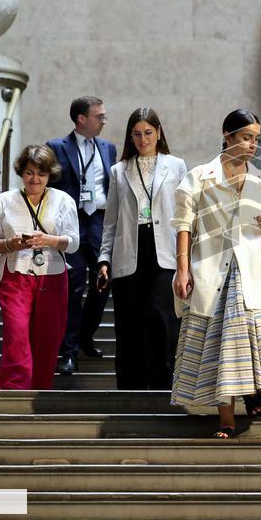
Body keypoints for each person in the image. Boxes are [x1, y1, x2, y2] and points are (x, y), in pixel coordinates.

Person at [170, 109, 261, 438]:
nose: (253, 145)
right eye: (246, 137)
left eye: (256, 139)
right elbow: (184, 226)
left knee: (251, 340)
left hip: (255, 273)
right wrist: (182, 269)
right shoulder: (199, 177)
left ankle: (254, 392)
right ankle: (226, 417)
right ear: (227, 136)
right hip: (211, 272)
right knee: (217, 347)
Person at [97, 108, 187, 390]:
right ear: (130, 137)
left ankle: (163, 385)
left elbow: (185, 214)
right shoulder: (118, 170)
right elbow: (110, 220)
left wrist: (187, 260)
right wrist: (104, 259)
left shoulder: (176, 166)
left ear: (159, 133)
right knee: (129, 320)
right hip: (129, 249)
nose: (143, 138)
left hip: (165, 250)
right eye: (136, 134)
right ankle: (130, 387)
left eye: (148, 132)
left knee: (162, 318)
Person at [0, 145, 79, 390]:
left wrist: (49, 240)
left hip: (53, 277)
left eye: (41, 174)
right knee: (16, 336)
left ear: (50, 175)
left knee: (47, 340)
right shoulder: (4, 200)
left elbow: (74, 243)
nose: (35, 179)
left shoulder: (63, 200)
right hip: (15, 275)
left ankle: (39, 394)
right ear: (21, 173)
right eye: (29, 173)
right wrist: (10, 243)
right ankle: (13, 395)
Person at [47, 96, 117, 375]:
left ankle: (86, 336)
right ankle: (69, 351)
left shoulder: (108, 148)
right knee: (74, 287)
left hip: (99, 222)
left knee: (103, 283)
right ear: (81, 119)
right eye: (99, 116)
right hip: (71, 223)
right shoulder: (56, 147)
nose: (103, 120)